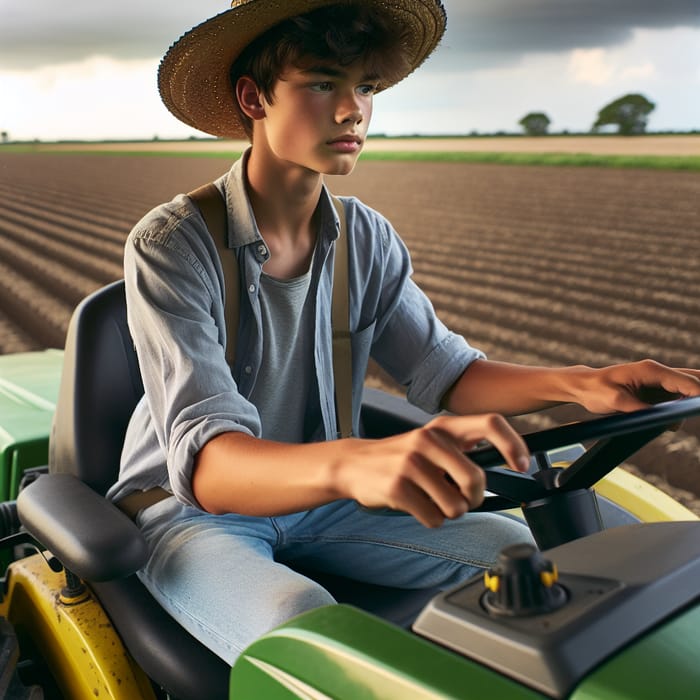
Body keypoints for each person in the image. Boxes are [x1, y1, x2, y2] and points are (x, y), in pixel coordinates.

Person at [107, 0, 700, 665]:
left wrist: (584, 385)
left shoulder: (365, 238)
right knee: (302, 628)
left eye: (365, 86)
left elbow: (449, 377)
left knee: (539, 567)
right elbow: (211, 466)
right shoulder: (172, 245)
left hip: (329, 502)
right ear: (254, 98)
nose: (352, 109)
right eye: (323, 81)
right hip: (192, 514)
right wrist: (363, 462)